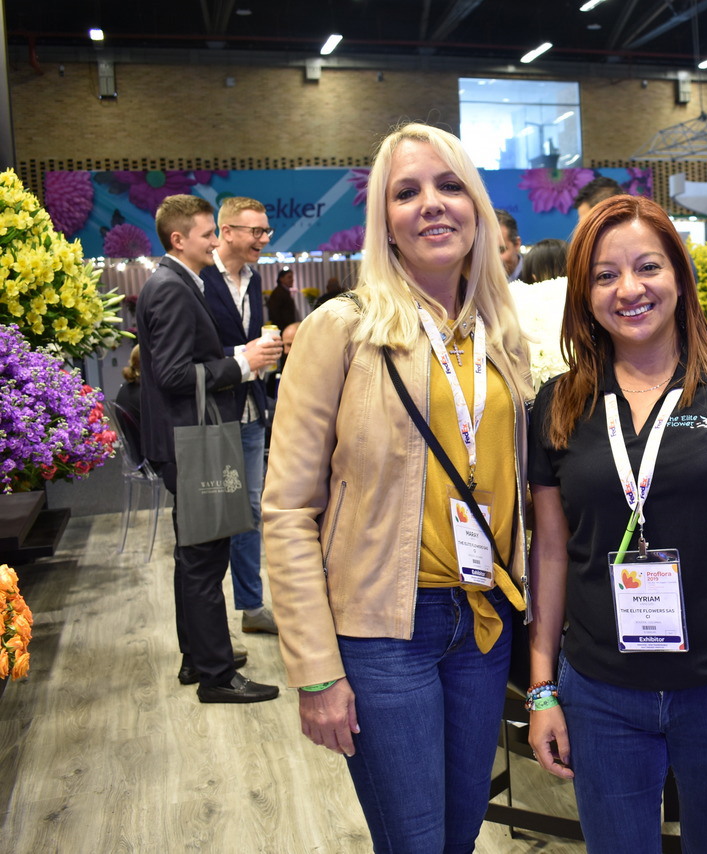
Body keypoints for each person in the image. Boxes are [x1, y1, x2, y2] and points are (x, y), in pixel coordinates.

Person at [262, 123, 532, 853]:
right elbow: (287, 509)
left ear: (477, 207)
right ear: (384, 220)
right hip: (384, 631)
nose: (431, 204)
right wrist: (315, 671)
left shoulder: (502, 336)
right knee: (415, 842)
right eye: (406, 192)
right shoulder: (341, 330)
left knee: (460, 836)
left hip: (484, 621)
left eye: (450, 186)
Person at [526, 195, 707, 854]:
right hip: (600, 693)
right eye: (605, 275)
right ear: (584, 295)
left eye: (647, 267)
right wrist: (542, 687)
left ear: (680, 277)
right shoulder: (559, 403)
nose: (629, 289)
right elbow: (550, 553)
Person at [136, 194, 281, 703]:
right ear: (179, 240)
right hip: (191, 440)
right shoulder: (171, 288)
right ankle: (216, 675)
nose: (215, 241)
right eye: (208, 234)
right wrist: (242, 364)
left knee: (194, 558)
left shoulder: (174, 282)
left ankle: (198, 658)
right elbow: (175, 375)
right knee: (203, 560)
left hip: (187, 438)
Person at [200, 196, 279, 637]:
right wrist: (244, 355)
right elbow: (195, 352)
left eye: (266, 231)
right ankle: (210, 625)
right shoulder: (198, 277)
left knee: (250, 509)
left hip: (251, 409)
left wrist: (265, 355)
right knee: (215, 516)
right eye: (256, 231)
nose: (263, 239)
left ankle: (251, 606)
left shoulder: (253, 277)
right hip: (211, 414)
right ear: (227, 232)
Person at [496, 208, 523, 281]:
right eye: (486, 253)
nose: (494, 260)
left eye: (501, 250)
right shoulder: (473, 281)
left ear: (517, 244)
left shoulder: (539, 277)